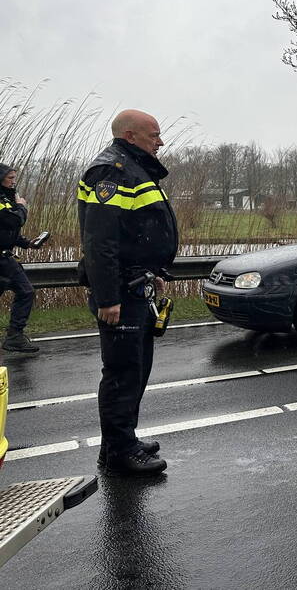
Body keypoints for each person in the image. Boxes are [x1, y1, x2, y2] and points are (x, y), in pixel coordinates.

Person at [78, 109, 178, 476]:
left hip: (137, 285)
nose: (160, 141)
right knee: (122, 373)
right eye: (155, 134)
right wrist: (108, 298)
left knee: (136, 369)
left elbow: (139, 233)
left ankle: (122, 440)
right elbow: (100, 240)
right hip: (121, 291)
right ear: (131, 135)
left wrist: (155, 272)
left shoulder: (135, 168)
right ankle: (119, 453)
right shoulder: (111, 172)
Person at [0, 164, 47, 352]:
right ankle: (14, 336)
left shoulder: (5, 198)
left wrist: (27, 243)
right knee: (26, 291)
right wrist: (21, 207)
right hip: (2, 260)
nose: (13, 182)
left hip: (5, 258)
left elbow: (7, 231)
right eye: (10, 178)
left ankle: (14, 336)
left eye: (14, 178)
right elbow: (12, 221)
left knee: (25, 291)